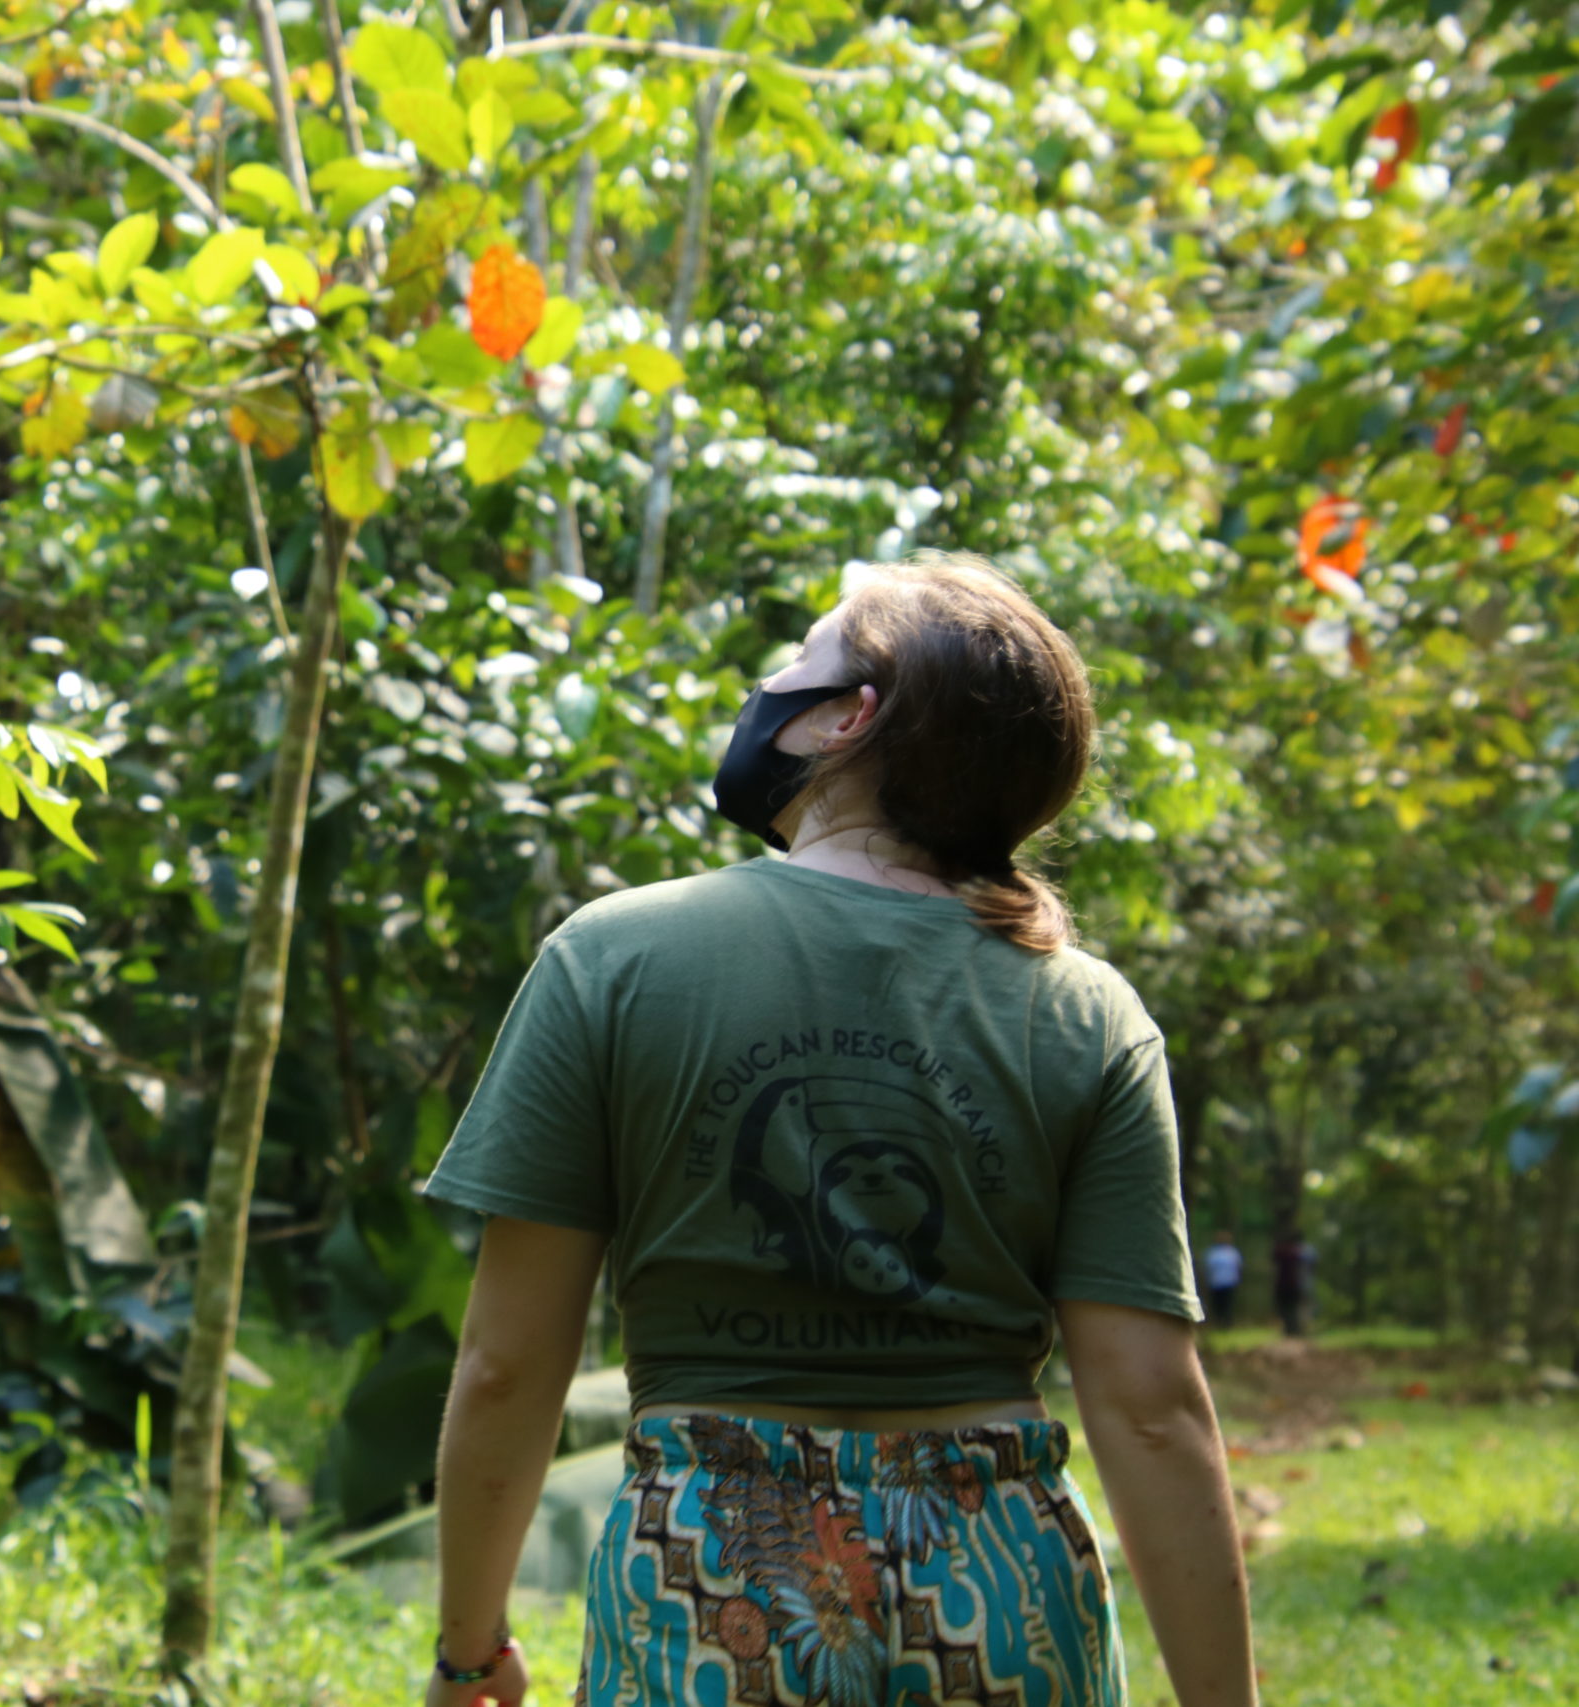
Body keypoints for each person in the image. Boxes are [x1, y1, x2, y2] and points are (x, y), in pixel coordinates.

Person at [416, 554, 1255, 1707]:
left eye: (796, 661)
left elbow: (509, 1368)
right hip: (1001, 1572)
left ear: (845, 720)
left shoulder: (611, 959)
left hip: (709, 1567)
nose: (768, 687)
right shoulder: (1081, 1010)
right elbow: (1150, 1408)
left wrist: (470, 1651)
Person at [1272, 1228, 1316, 1337]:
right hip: (1297, 1283)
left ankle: (1291, 1329)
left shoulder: (1282, 1251)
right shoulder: (1301, 1252)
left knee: (1287, 1307)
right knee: (1295, 1306)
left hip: (1286, 1284)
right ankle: (1296, 1329)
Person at [1203, 1229, 1244, 1329]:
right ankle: (1218, 1323)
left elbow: (1238, 1267)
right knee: (1218, 1305)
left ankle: (1227, 1323)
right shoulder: (1213, 1252)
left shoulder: (1232, 1252)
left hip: (1229, 1283)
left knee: (1227, 1304)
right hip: (1216, 1283)